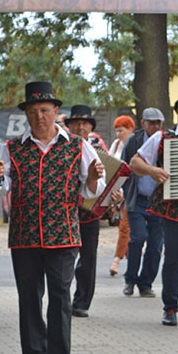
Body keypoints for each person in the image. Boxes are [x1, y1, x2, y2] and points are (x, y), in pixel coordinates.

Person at [0, 82, 104, 354]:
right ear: (26, 114)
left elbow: (95, 192)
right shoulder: (12, 148)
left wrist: (92, 178)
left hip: (64, 234)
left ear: (56, 111)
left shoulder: (78, 146)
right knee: (29, 297)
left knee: (60, 296)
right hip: (25, 235)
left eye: (44, 110)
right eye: (33, 111)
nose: (39, 116)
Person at [130, 88, 178, 326]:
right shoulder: (163, 137)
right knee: (172, 259)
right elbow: (135, 162)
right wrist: (153, 170)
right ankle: (170, 308)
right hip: (171, 208)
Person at [66, 105, 120, 318]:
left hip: (90, 214)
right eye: (76, 123)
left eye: (85, 123)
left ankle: (82, 303)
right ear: (69, 125)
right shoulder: (63, 148)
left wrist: (117, 195)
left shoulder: (99, 149)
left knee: (88, 260)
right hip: (66, 212)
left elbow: (113, 177)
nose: (80, 127)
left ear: (90, 127)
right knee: (64, 260)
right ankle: (62, 299)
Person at [121, 108, 165, 298]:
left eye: (159, 123)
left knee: (156, 245)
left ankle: (145, 284)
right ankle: (130, 280)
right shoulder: (134, 140)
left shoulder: (166, 140)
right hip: (136, 199)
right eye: (152, 122)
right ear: (143, 123)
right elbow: (124, 166)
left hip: (158, 201)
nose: (156, 126)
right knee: (138, 238)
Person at [107, 115, 135, 277]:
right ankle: (132, 265)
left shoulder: (134, 146)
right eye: (116, 131)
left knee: (125, 228)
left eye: (121, 130)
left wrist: (123, 192)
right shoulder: (116, 145)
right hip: (115, 193)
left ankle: (116, 260)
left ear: (130, 129)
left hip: (128, 193)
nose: (118, 134)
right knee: (125, 229)